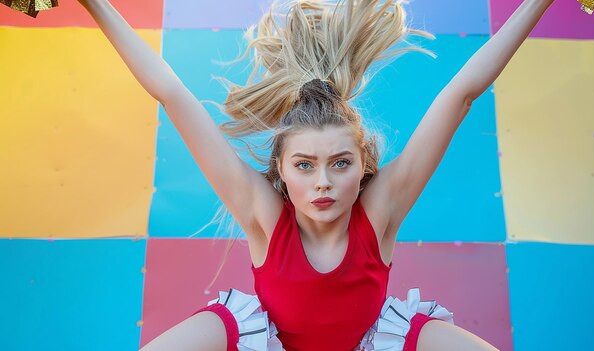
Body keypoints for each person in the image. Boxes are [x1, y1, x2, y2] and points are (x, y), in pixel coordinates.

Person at [76, 0, 556, 350]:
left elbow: (462, 94)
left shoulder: (380, 210)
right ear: (281, 171)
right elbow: (172, 95)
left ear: (363, 167)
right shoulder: (263, 212)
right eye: (304, 166)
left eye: (340, 164)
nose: (322, 182)